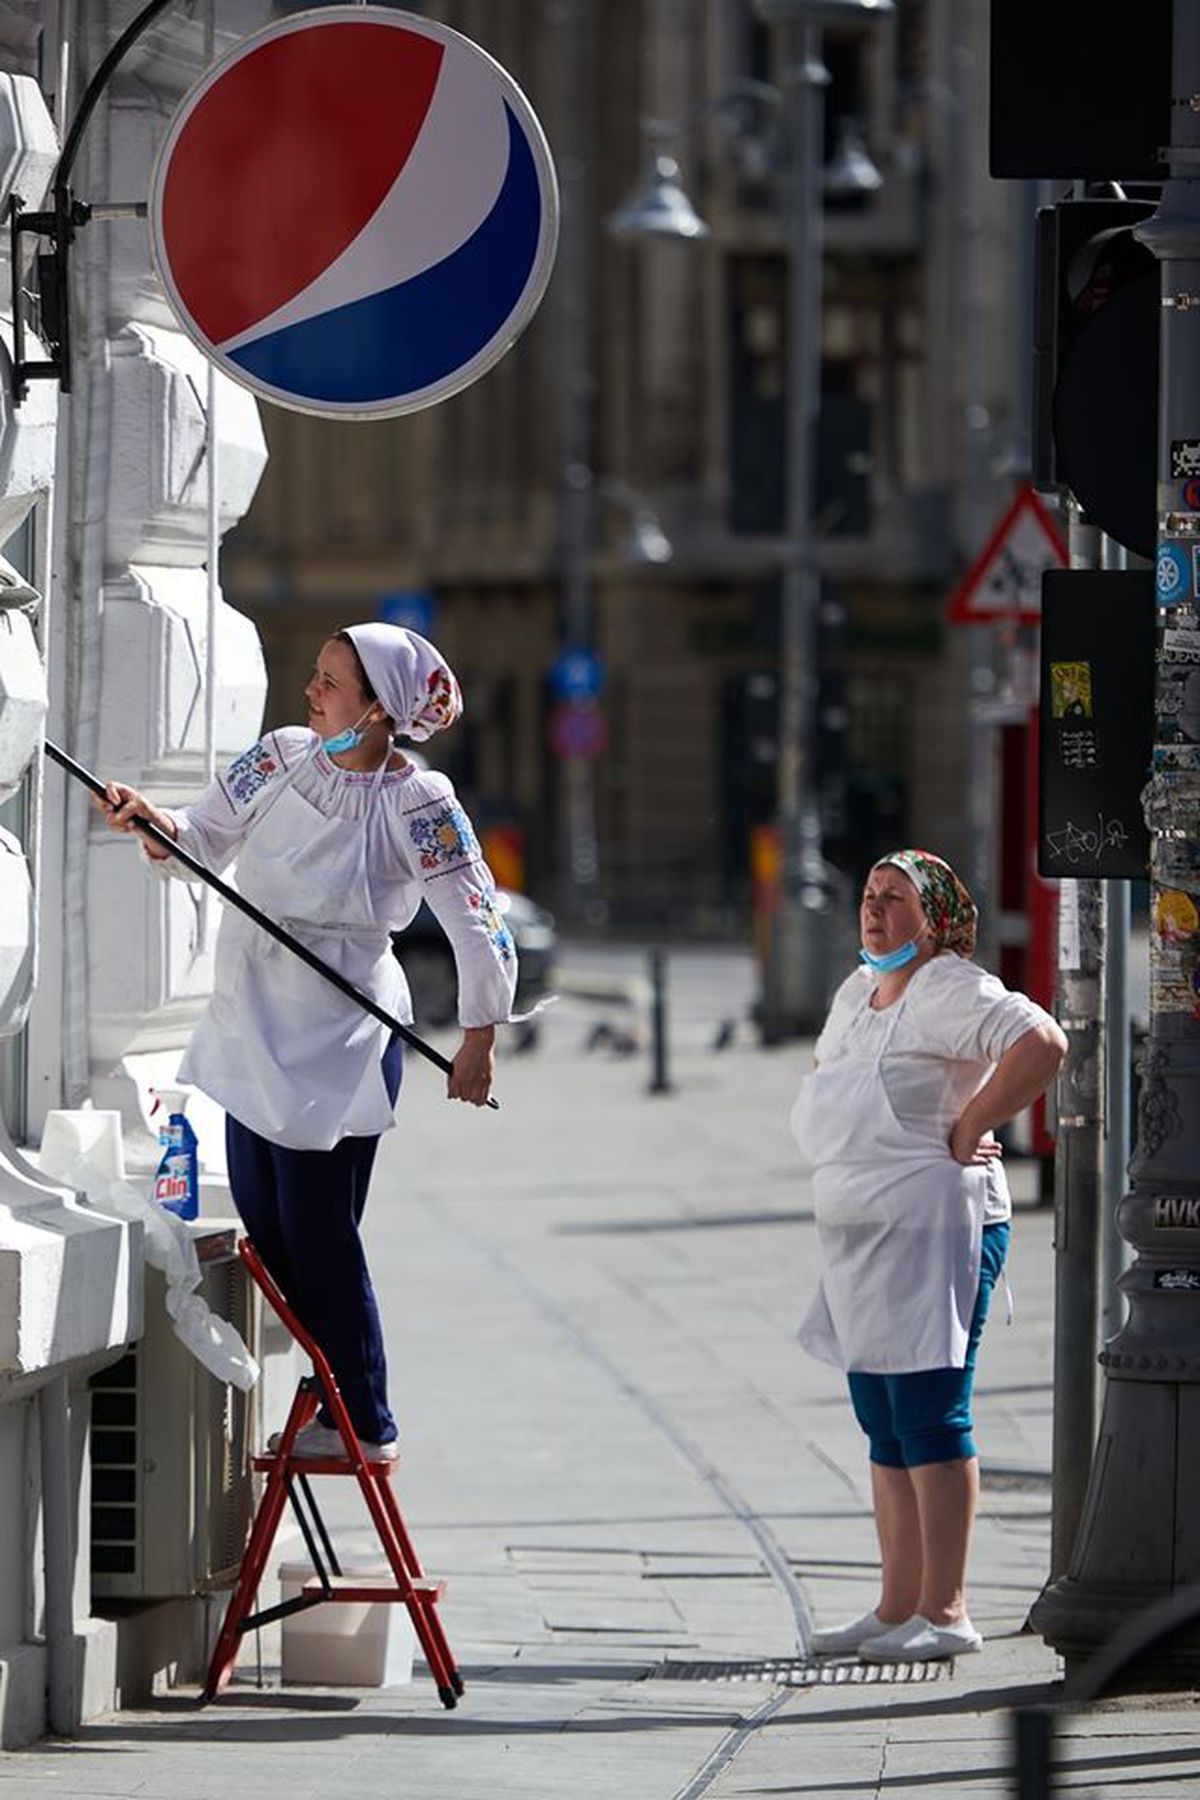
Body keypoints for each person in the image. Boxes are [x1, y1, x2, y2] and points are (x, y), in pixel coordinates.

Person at [97, 624, 518, 1461]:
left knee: (320, 1229)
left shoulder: (418, 801)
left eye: (330, 683)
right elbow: (204, 836)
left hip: (343, 1030)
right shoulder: (282, 755)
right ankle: (331, 1390)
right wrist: (154, 822)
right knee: (266, 1221)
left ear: (377, 711)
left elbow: (476, 917)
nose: (310, 692)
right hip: (254, 1016)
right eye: (316, 675)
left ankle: (365, 1418)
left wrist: (480, 1036)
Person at [790, 849, 1066, 1663]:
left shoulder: (951, 985)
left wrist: (971, 1122)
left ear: (935, 916)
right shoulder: (857, 990)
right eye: (869, 896)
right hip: (862, 1239)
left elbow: (1041, 1043)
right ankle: (896, 1605)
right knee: (882, 1422)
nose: (874, 911)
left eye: (895, 899)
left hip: (935, 1232)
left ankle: (946, 1612)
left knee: (931, 1414)